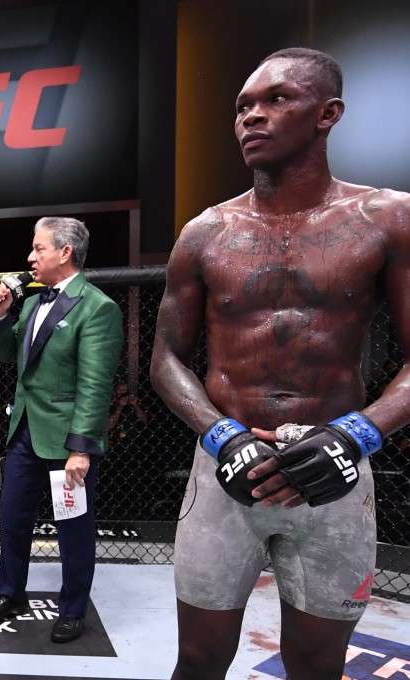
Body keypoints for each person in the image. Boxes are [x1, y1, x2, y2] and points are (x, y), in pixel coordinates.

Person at [150, 47, 410, 680]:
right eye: (243, 106)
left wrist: (358, 434)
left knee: (317, 665)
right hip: (224, 468)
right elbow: (164, 359)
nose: (252, 117)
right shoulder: (206, 232)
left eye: (276, 100)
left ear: (328, 113)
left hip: (336, 473)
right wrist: (222, 433)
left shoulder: (388, 218)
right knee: (200, 658)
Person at [0, 217, 123, 643]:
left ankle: (73, 608)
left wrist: (81, 448)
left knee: (73, 526)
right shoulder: (31, 302)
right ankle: (10, 593)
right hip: (24, 431)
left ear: (65, 252)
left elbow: (95, 386)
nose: (30, 257)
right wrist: (0, 315)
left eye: (38, 249)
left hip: (67, 440)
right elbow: (7, 356)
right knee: (12, 519)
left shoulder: (97, 307)